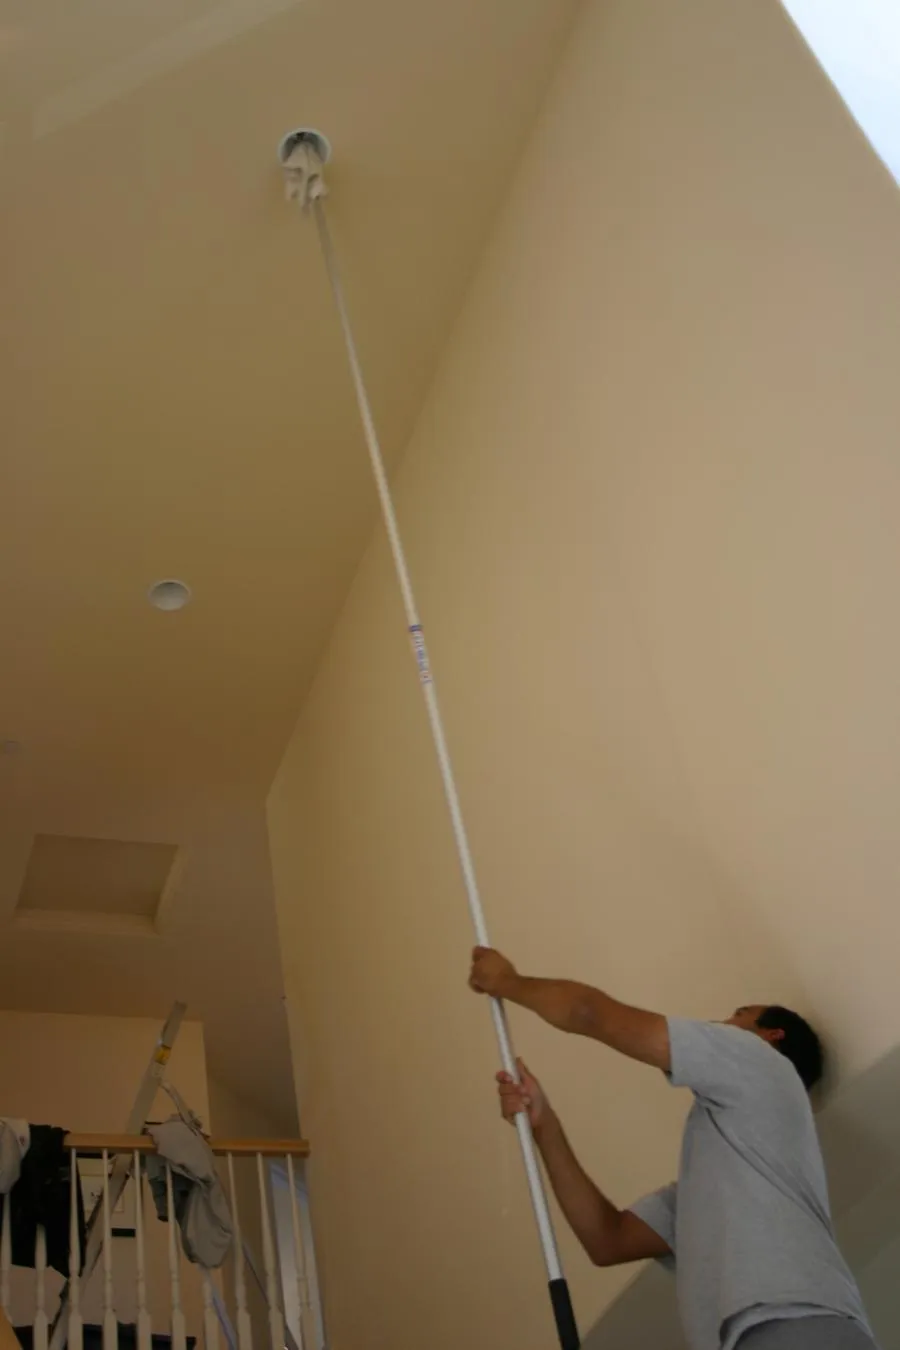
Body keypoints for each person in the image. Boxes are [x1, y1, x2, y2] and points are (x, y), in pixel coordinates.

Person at [468, 946, 877, 1350]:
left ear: (772, 1036)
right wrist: (544, 1124)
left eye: (737, 1015)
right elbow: (607, 1240)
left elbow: (587, 1012)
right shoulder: (713, 1189)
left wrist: (507, 982)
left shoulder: (762, 1060)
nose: (717, 1024)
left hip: (795, 1325)